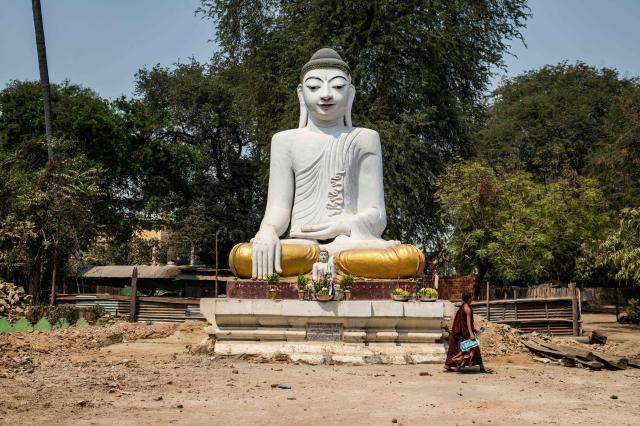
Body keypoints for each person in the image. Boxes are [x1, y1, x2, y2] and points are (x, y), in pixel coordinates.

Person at [445, 292, 492, 373]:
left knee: (457, 349)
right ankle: (482, 367)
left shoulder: (463, 307)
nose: (472, 299)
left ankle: (448, 364)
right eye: (471, 297)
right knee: (475, 348)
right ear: (469, 299)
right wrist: (471, 334)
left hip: (461, 332)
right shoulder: (468, 309)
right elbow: (468, 323)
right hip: (466, 333)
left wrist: (475, 330)